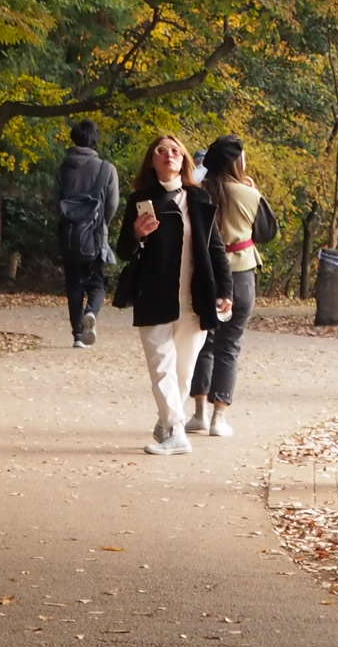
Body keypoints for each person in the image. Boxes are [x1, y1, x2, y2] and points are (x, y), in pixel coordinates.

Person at [114, 134, 233, 457]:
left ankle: (168, 423)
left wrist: (226, 291)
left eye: (175, 151)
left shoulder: (200, 200)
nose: (169, 155)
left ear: (184, 160)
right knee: (161, 365)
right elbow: (123, 250)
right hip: (153, 295)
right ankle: (176, 432)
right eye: (161, 151)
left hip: (195, 298)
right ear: (152, 161)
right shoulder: (140, 200)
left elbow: (216, 248)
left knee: (183, 370)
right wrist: (138, 234)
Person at [189, 136, 276, 440]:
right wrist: (253, 192)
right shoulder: (248, 194)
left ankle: (198, 413)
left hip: (204, 273)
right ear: (238, 162)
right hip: (240, 271)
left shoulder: (197, 193)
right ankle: (219, 418)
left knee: (203, 341)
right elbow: (267, 232)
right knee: (230, 344)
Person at [53, 120, 120, 349]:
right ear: (95, 140)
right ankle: (91, 312)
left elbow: (55, 202)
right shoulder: (106, 169)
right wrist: (101, 225)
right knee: (97, 282)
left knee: (73, 286)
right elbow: (113, 203)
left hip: (70, 235)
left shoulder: (63, 168)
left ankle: (77, 335)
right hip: (94, 235)